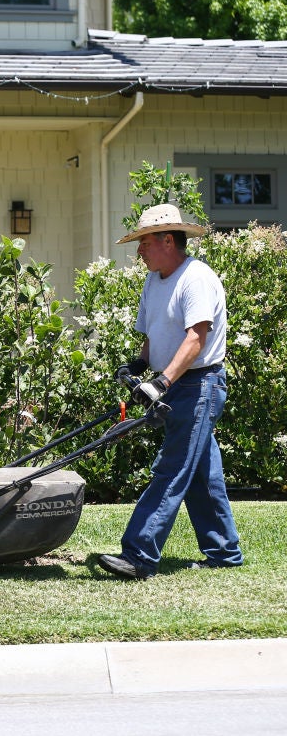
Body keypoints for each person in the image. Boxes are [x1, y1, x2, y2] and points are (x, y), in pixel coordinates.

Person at [98, 203, 243, 580]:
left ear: (167, 240)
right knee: (200, 473)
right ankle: (225, 552)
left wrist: (161, 382)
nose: (139, 251)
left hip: (199, 385)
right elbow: (154, 337)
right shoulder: (155, 280)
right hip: (178, 384)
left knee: (173, 468)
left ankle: (139, 556)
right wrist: (137, 367)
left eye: (144, 242)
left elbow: (197, 337)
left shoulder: (196, 278)